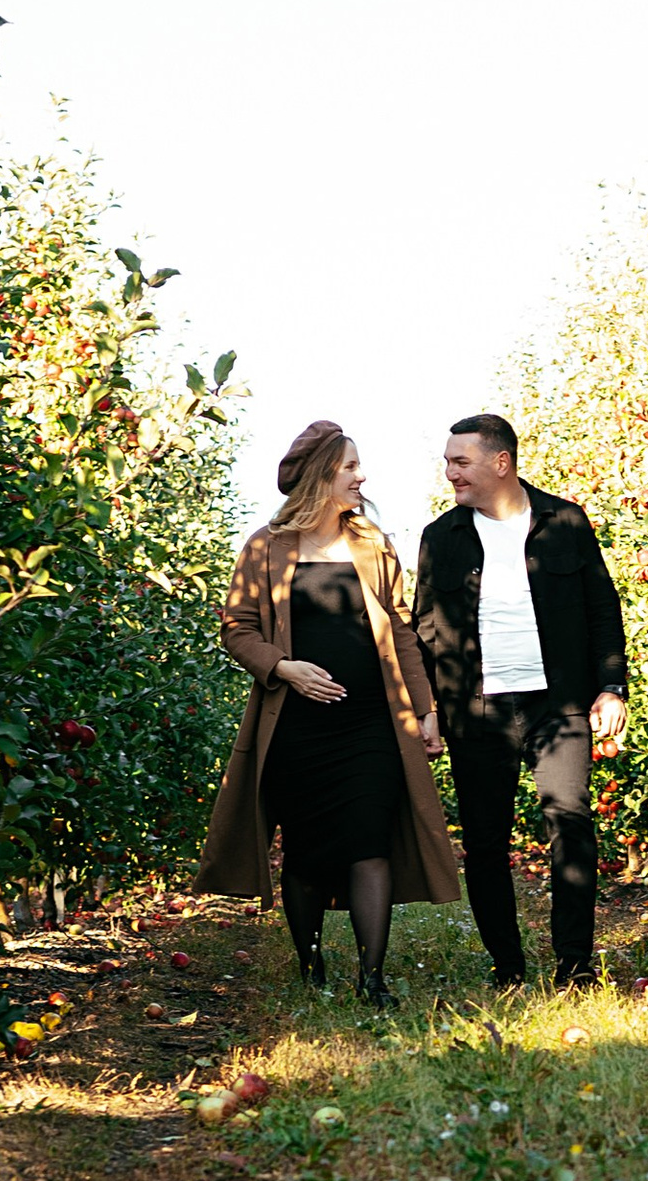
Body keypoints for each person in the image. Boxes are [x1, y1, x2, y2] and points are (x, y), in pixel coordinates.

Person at [196, 421, 460, 1002]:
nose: (361, 476)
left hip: (372, 720)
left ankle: (372, 977)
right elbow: (236, 629)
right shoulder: (267, 546)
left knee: (370, 842)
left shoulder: (372, 543)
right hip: (297, 726)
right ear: (320, 476)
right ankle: (311, 966)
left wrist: (427, 710)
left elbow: (401, 631)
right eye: (350, 467)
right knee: (308, 851)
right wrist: (283, 667)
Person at [411, 411, 627, 991]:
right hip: (475, 709)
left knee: (571, 822)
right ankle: (507, 967)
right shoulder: (442, 538)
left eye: (461, 462)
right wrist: (427, 708)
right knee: (485, 839)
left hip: (556, 704)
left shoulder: (565, 521)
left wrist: (610, 686)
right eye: (449, 462)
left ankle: (575, 965)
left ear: (500, 463)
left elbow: (602, 608)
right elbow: (423, 631)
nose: (450, 473)